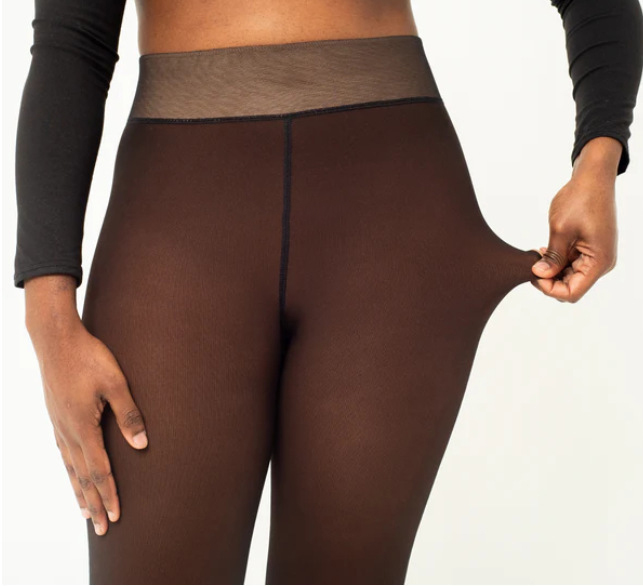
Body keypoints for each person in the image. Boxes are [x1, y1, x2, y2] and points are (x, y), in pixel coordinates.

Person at [13, 0, 643, 583]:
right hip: (178, 221)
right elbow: (74, 38)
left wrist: (598, 158)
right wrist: (48, 316)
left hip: (390, 221)